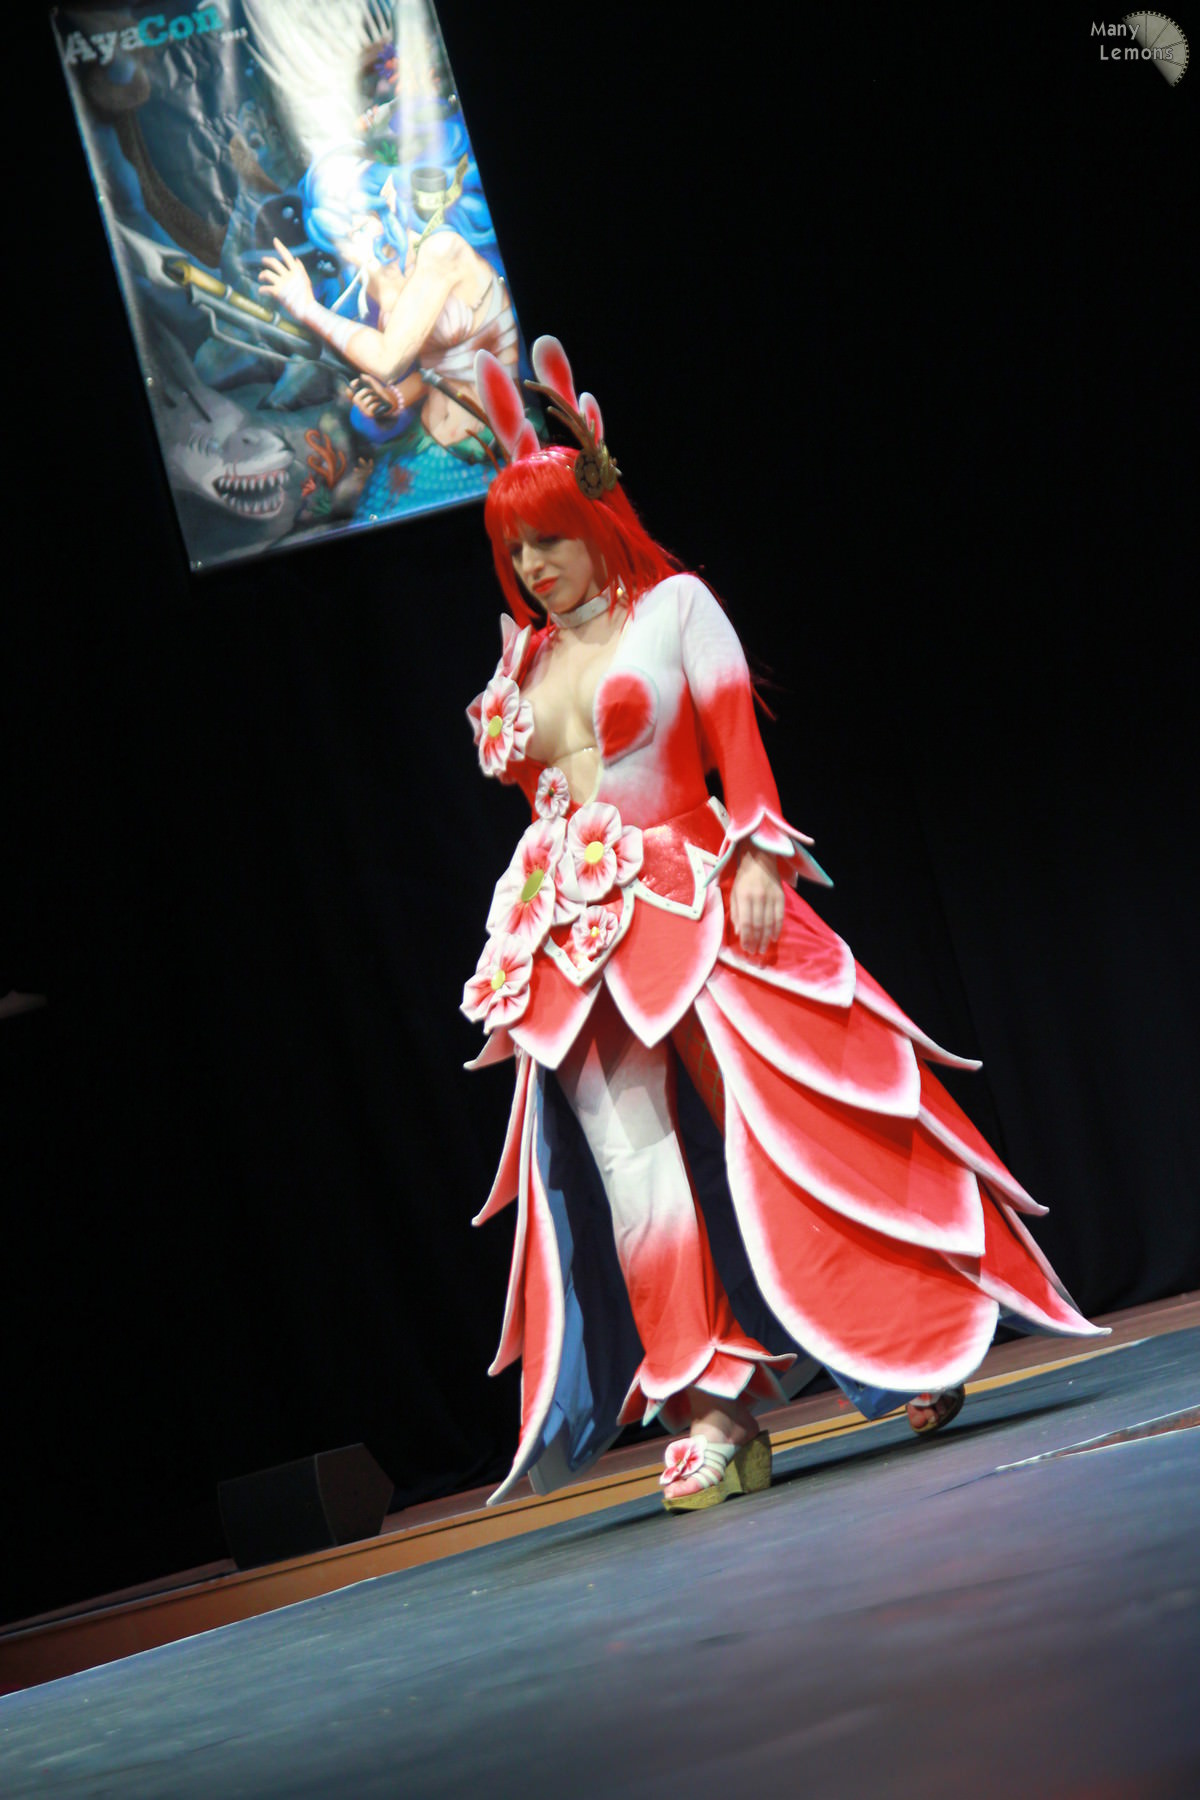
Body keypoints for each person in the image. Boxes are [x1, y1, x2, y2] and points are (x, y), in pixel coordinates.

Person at [462, 337, 1103, 1513]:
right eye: (514, 550)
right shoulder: (528, 657)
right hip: (571, 933)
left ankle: (900, 1341)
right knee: (633, 1176)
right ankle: (709, 1412)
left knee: (801, 1118)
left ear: (597, 516)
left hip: (695, 900)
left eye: (547, 538)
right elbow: (545, 793)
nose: (532, 566)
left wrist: (759, 852)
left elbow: (736, 747)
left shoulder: (676, 608)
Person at [258, 150, 516, 451]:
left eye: (363, 226)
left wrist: (308, 309)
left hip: (496, 438)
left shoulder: (443, 251)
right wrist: (394, 398)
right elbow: (439, 368)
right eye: (345, 239)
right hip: (437, 441)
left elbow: (387, 360)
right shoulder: (383, 281)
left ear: (387, 197)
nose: (360, 247)